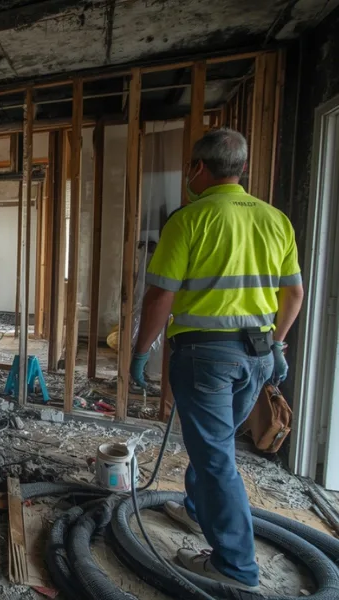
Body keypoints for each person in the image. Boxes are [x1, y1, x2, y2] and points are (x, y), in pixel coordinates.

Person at [132, 128, 303, 591]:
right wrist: (279, 344)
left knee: (215, 457)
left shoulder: (189, 220)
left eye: (191, 166)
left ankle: (236, 565)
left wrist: (142, 349)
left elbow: (160, 296)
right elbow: (294, 294)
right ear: (242, 169)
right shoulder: (275, 219)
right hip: (259, 353)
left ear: (199, 168)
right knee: (216, 443)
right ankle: (195, 511)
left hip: (206, 358)